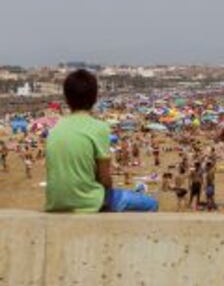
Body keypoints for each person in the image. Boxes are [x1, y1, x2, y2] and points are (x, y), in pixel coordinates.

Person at [45, 69, 158, 213]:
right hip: (90, 202)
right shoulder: (99, 127)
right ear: (95, 98)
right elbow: (105, 178)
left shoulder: (55, 130)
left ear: (66, 99)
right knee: (151, 204)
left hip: (55, 203)